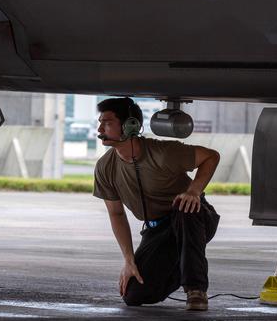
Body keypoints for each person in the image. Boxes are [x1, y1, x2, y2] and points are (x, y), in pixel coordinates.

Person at [93, 97, 221, 311]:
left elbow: (211, 156)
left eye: (106, 122)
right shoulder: (105, 167)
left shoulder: (163, 153)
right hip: (158, 230)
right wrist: (129, 261)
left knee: (183, 207)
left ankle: (196, 289)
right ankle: (182, 265)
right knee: (134, 294)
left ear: (129, 125)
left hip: (193, 217)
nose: (100, 128)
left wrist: (193, 191)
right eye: (100, 122)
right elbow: (116, 215)